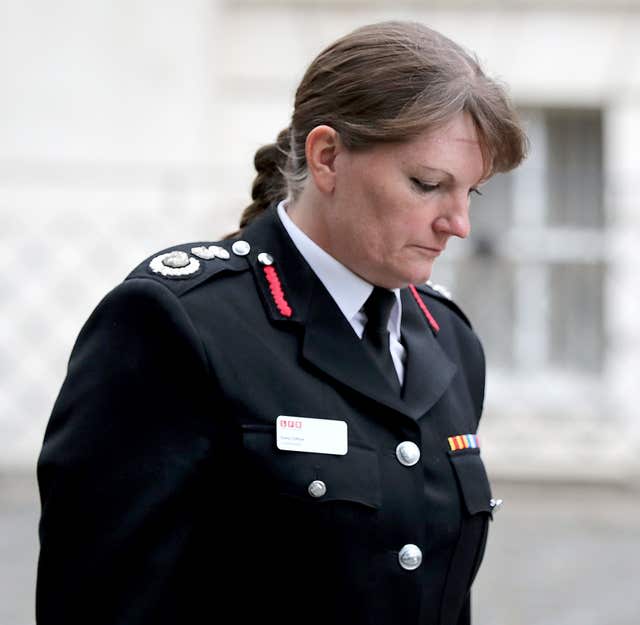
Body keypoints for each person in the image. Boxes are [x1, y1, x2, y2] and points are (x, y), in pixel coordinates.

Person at [36, 20, 527, 625]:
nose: (458, 224)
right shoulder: (181, 323)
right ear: (327, 158)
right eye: (428, 185)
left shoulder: (447, 338)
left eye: (470, 194)